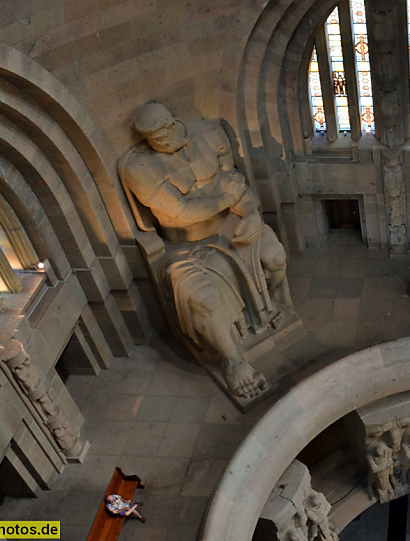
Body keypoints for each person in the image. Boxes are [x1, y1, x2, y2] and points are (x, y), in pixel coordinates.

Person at [119, 102, 298, 399]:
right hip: (183, 247)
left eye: (164, 132)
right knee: (205, 298)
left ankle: (273, 302)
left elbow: (236, 185)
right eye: (152, 138)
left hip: (232, 224)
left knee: (275, 257)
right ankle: (233, 361)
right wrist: (227, 199)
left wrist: (251, 214)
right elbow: (182, 211)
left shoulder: (208, 135)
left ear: (174, 122)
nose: (161, 141)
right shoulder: (138, 167)